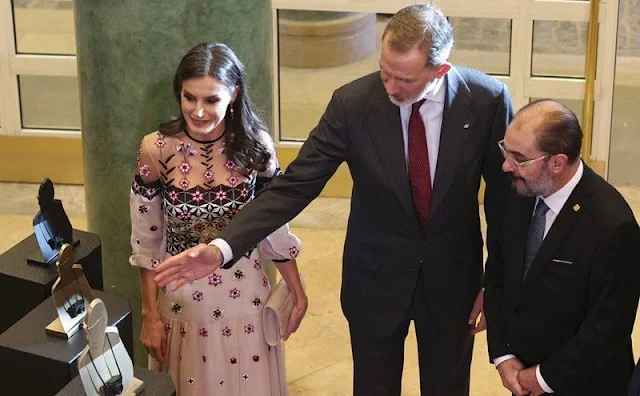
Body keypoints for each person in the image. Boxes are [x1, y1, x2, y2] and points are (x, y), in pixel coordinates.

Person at [156, 5, 513, 395]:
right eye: (384, 71)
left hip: (453, 283)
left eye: (404, 79)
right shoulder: (352, 103)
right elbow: (294, 186)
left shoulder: (487, 100)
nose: (390, 86)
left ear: (440, 70)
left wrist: (496, 284)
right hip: (374, 282)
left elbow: (505, 204)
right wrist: (223, 247)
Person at [129, 42, 307, 396]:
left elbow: (273, 227)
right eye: (188, 97)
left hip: (247, 297)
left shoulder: (258, 147)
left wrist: (297, 291)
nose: (198, 110)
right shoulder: (155, 149)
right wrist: (151, 315)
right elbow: (146, 241)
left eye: (211, 100)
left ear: (234, 94)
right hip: (183, 299)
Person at [484, 99, 640, 396]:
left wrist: (543, 378)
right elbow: (497, 275)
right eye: (506, 150)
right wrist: (503, 355)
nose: (506, 165)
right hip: (522, 376)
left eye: (518, 158)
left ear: (556, 162)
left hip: (585, 383)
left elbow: (609, 326)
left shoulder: (613, 225)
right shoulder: (518, 191)